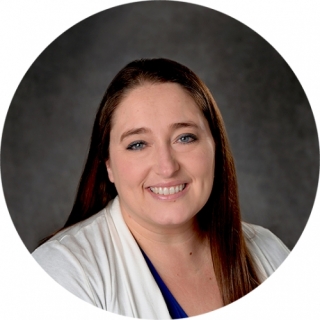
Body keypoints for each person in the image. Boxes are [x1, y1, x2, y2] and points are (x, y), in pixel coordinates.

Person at [32, 58, 290, 319]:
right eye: (138, 144)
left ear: (216, 147)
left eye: (185, 138)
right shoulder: (62, 272)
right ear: (108, 165)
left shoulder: (270, 251)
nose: (166, 167)